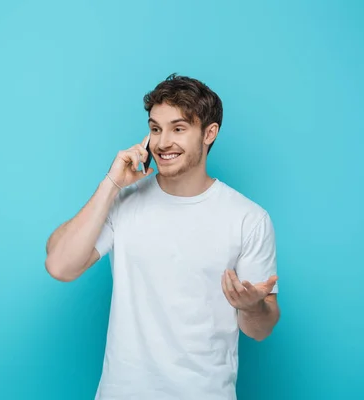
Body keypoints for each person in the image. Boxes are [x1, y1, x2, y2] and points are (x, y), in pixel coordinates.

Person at [44, 73, 280, 400]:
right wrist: (111, 184)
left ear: (209, 133)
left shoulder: (248, 218)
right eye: (156, 128)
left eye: (178, 128)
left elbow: (260, 329)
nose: (162, 142)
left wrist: (252, 307)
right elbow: (59, 265)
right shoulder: (124, 201)